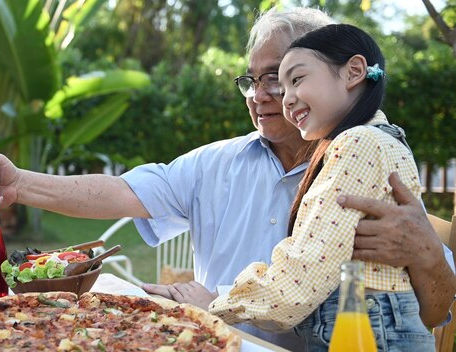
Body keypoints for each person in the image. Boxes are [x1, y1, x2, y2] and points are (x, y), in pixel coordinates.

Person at [0, 8, 455, 349]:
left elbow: (437, 313)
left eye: (284, 77)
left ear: (343, 74)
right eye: (253, 78)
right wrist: (20, 185)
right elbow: (119, 191)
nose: (265, 95)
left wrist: (428, 254)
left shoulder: (370, 165)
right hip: (208, 341)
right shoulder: (215, 163)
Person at [165, 23, 436, 350]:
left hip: (369, 334)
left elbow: (301, 280)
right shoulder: (382, 139)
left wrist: (215, 304)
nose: (287, 99)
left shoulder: (356, 145)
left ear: (353, 72)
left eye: (294, 80)